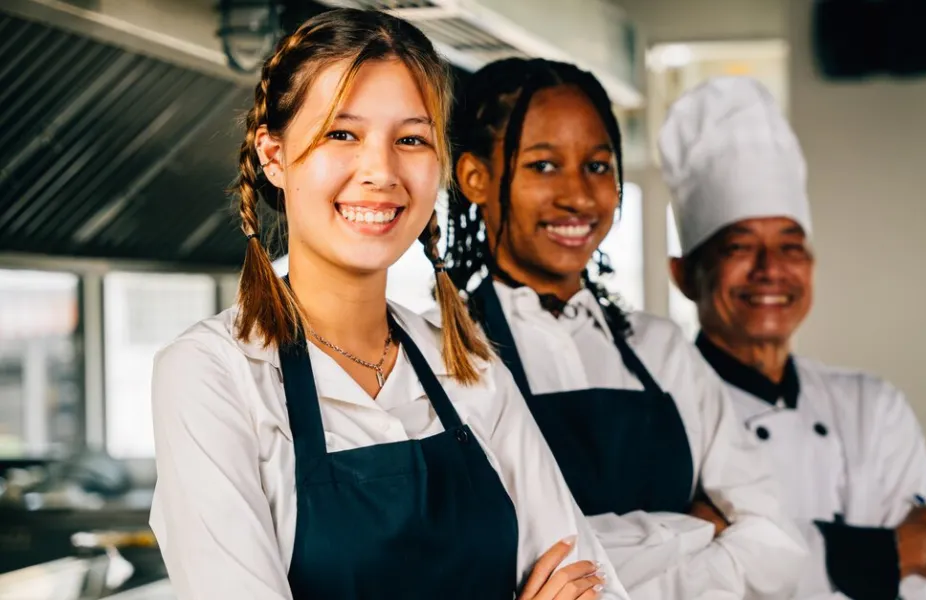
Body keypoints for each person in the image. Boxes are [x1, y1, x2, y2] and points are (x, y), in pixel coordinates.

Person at [148, 9, 628, 600]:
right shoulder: (212, 374)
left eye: (411, 139)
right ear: (273, 155)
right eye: (341, 133)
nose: (381, 171)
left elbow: (590, 583)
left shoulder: (469, 363)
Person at [440, 58, 803, 600]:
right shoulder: (443, 356)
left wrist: (602, 575)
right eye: (543, 166)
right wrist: (696, 528)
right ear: (476, 178)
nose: (580, 197)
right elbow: (483, 564)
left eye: (598, 165)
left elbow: (777, 545)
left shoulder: (662, 349)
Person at [659, 76, 926, 600]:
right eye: (739, 246)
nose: (770, 270)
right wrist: (893, 549)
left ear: (812, 266)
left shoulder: (875, 407)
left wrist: (748, 549)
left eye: (790, 247)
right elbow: (672, 580)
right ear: (685, 274)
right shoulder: (662, 413)